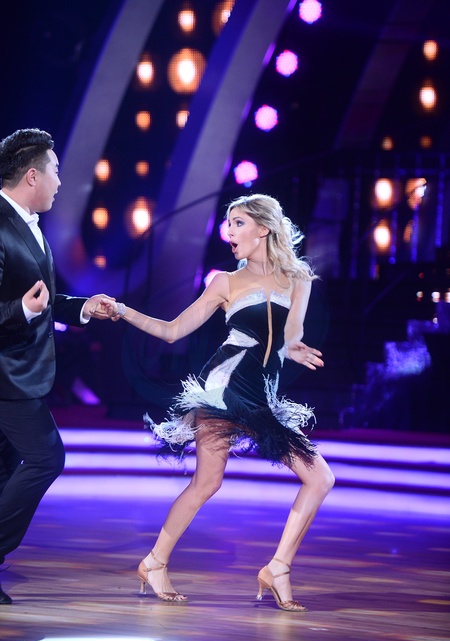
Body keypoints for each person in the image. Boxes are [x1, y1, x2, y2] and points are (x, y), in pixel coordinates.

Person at [101, 193, 335, 612]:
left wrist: (294, 347)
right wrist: (123, 310)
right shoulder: (225, 282)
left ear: (264, 228)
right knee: (208, 482)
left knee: (319, 479)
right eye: (228, 223)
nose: (229, 231)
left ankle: (277, 568)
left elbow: (292, 333)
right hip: (225, 386)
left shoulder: (298, 279)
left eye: (238, 222)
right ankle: (155, 563)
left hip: (262, 393)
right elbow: (173, 331)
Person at [0, 128, 115, 604]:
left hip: (20, 372)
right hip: (7, 376)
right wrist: (22, 311)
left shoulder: (27, 223)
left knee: (5, 468)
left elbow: (41, 298)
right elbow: (24, 305)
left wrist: (81, 307)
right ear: (32, 176)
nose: (60, 182)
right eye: (55, 171)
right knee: (48, 457)